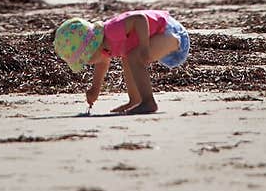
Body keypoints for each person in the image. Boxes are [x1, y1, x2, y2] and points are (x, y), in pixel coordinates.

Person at [53, 10, 191, 116]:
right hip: (163, 40)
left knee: (132, 56)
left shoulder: (112, 30)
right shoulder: (104, 47)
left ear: (91, 48)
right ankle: (135, 100)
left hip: (173, 34)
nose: (87, 63)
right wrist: (95, 89)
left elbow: (140, 19)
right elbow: (102, 63)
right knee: (128, 57)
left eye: (85, 59)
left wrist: (144, 46)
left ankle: (148, 102)